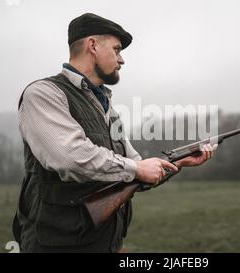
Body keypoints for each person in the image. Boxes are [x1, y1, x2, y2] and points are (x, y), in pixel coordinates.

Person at [12, 13, 217, 253]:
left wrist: (178, 162)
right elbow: (71, 157)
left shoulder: (108, 108)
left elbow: (134, 166)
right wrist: (137, 169)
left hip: (103, 243)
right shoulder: (44, 94)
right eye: (117, 49)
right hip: (56, 244)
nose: (122, 60)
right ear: (92, 45)